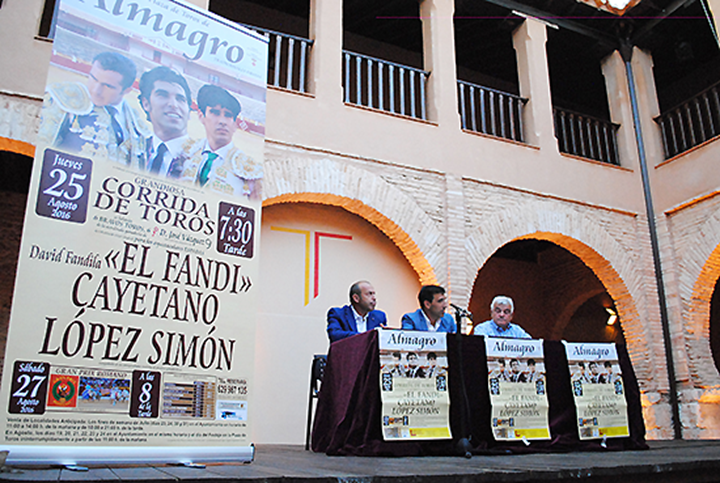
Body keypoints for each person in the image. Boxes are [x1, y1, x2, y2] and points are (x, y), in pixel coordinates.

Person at [39, 51, 149, 164]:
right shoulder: (63, 100)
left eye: (108, 86)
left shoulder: (136, 125)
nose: (96, 90)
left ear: (126, 91)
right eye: (93, 78)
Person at [176, 84, 262, 199]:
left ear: (234, 124)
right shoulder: (185, 153)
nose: (222, 121)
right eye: (215, 113)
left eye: (228, 115)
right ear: (201, 116)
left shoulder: (249, 170)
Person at [138, 66, 193, 176]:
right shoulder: (133, 148)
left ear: (189, 111)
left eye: (180, 99)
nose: (173, 105)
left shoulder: (200, 160)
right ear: (146, 104)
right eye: (163, 95)